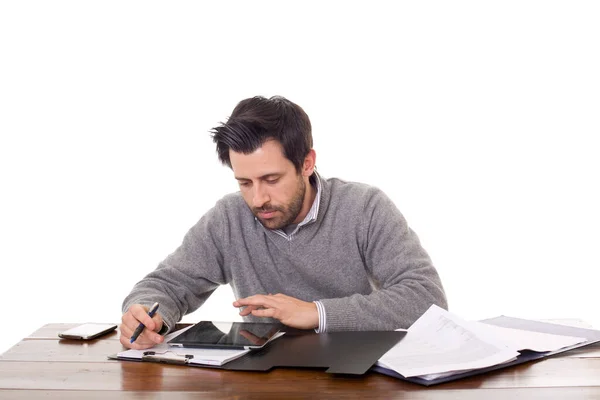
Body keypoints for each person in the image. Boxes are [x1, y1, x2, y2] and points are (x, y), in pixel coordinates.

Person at [120, 95, 447, 350]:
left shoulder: (365, 208)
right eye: (244, 183)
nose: (257, 198)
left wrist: (316, 314)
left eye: (271, 179)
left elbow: (426, 299)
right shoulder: (229, 218)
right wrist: (148, 316)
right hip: (261, 380)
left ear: (306, 163)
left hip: (358, 373)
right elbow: (168, 284)